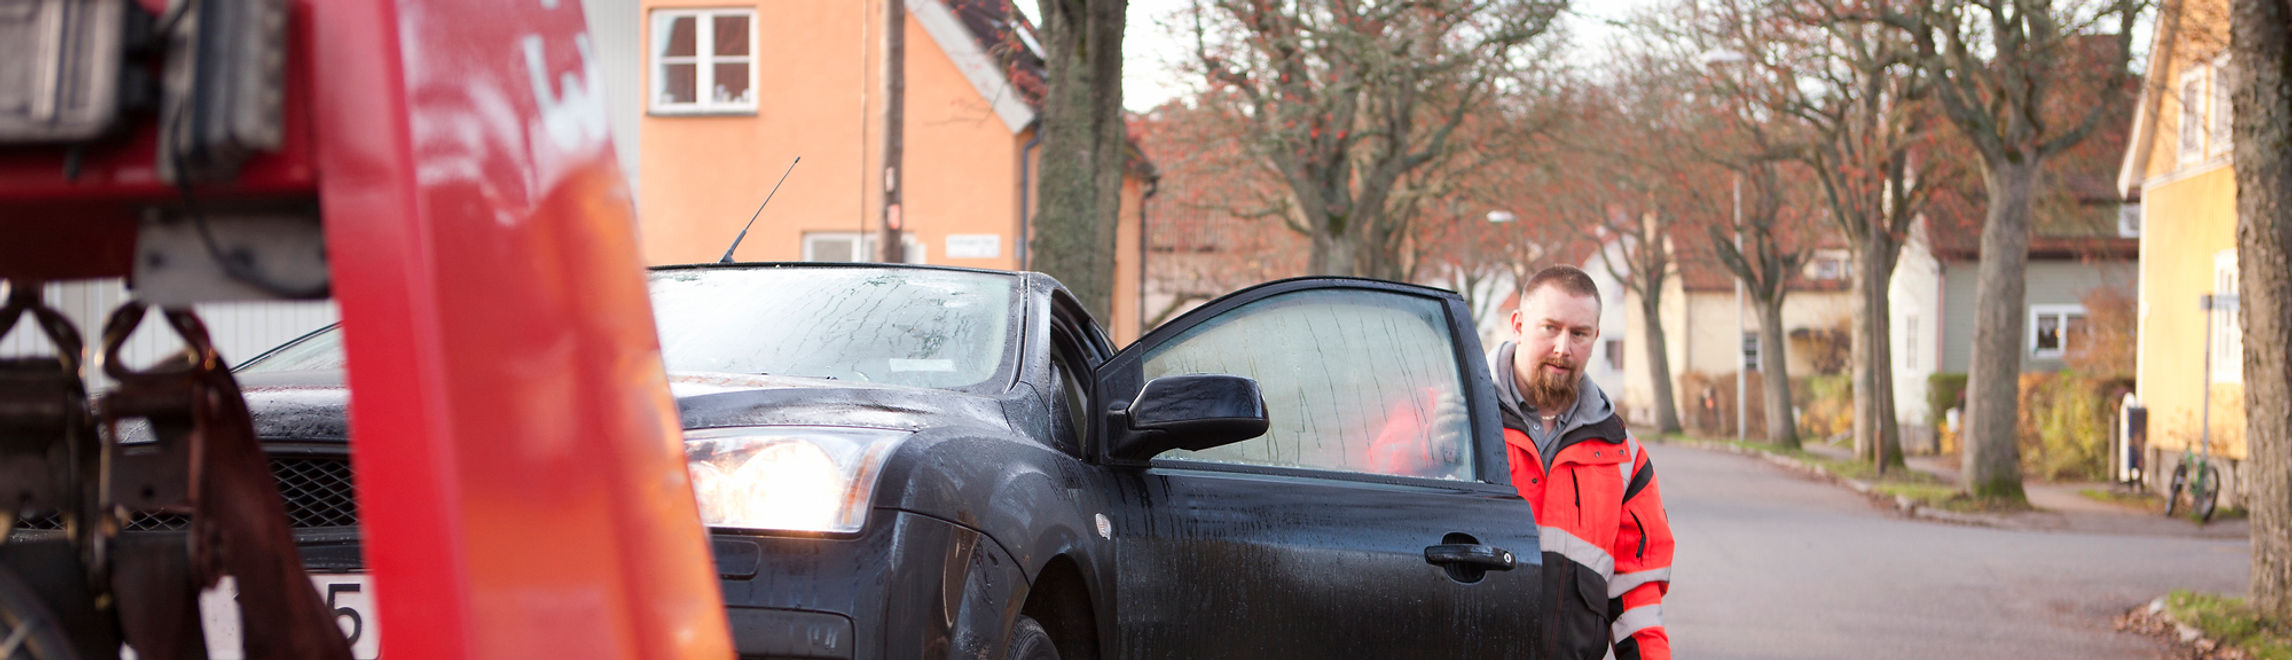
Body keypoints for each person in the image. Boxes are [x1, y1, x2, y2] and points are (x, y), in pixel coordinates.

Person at [1492, 265, 1674, 660]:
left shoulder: (1623, 457)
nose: (1563, 348)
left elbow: (1638, 596)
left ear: (1594, 338)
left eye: (1579, 334)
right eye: (1550, 328)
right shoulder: (1454, 420)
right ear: (1519, 325)